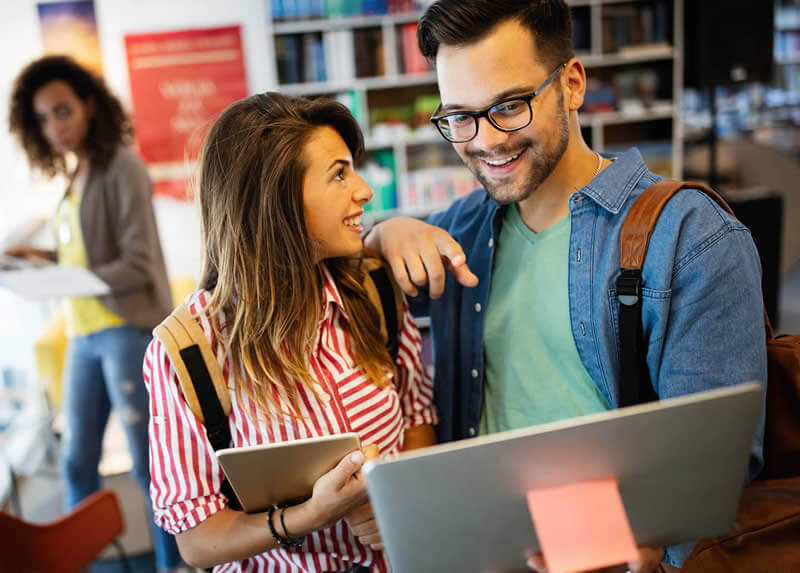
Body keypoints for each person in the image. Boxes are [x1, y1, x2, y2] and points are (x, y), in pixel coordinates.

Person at [362, 1, 767, 570]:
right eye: (460, 116)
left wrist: (642, 547)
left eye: (509, 105)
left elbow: (715, 472)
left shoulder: (693, 239)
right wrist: (383, 234)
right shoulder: (458, 231)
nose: (486, 141)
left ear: (572, 84)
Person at [143, 92, 437, 572]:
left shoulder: (377, 289)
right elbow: (196, 540)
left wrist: (399, 494)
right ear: (273, 197)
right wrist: (306, 517)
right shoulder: (190, 350)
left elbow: (417, 414)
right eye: (339, 174)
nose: (363, 190)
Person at [5, 56, 184, 572]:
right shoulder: (74, 176)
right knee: (74, 462)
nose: (53, 127)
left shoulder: (122, 167)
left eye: (62, 111)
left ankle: (174, 565)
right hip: (84, 335)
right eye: (42, 119)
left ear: (88, 105)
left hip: (126, 330)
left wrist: (70, 277)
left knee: (152, 470)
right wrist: (41, 262)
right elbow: (84, 257)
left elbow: (137, 263)